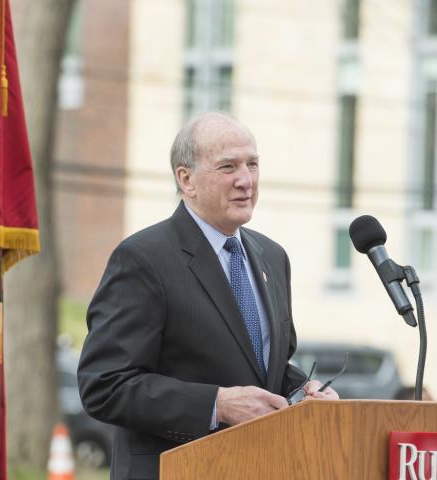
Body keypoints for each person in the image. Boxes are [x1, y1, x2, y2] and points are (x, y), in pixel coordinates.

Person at [77, 112, 338, 480]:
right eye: (228, 166)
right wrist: (217, 404)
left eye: (253, 164)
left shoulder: (272, 256)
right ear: (187, 180)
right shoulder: (144, 258)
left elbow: (266, 370)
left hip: (263, 466)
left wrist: (303, 391)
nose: (245, 180)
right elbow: (104, 385)